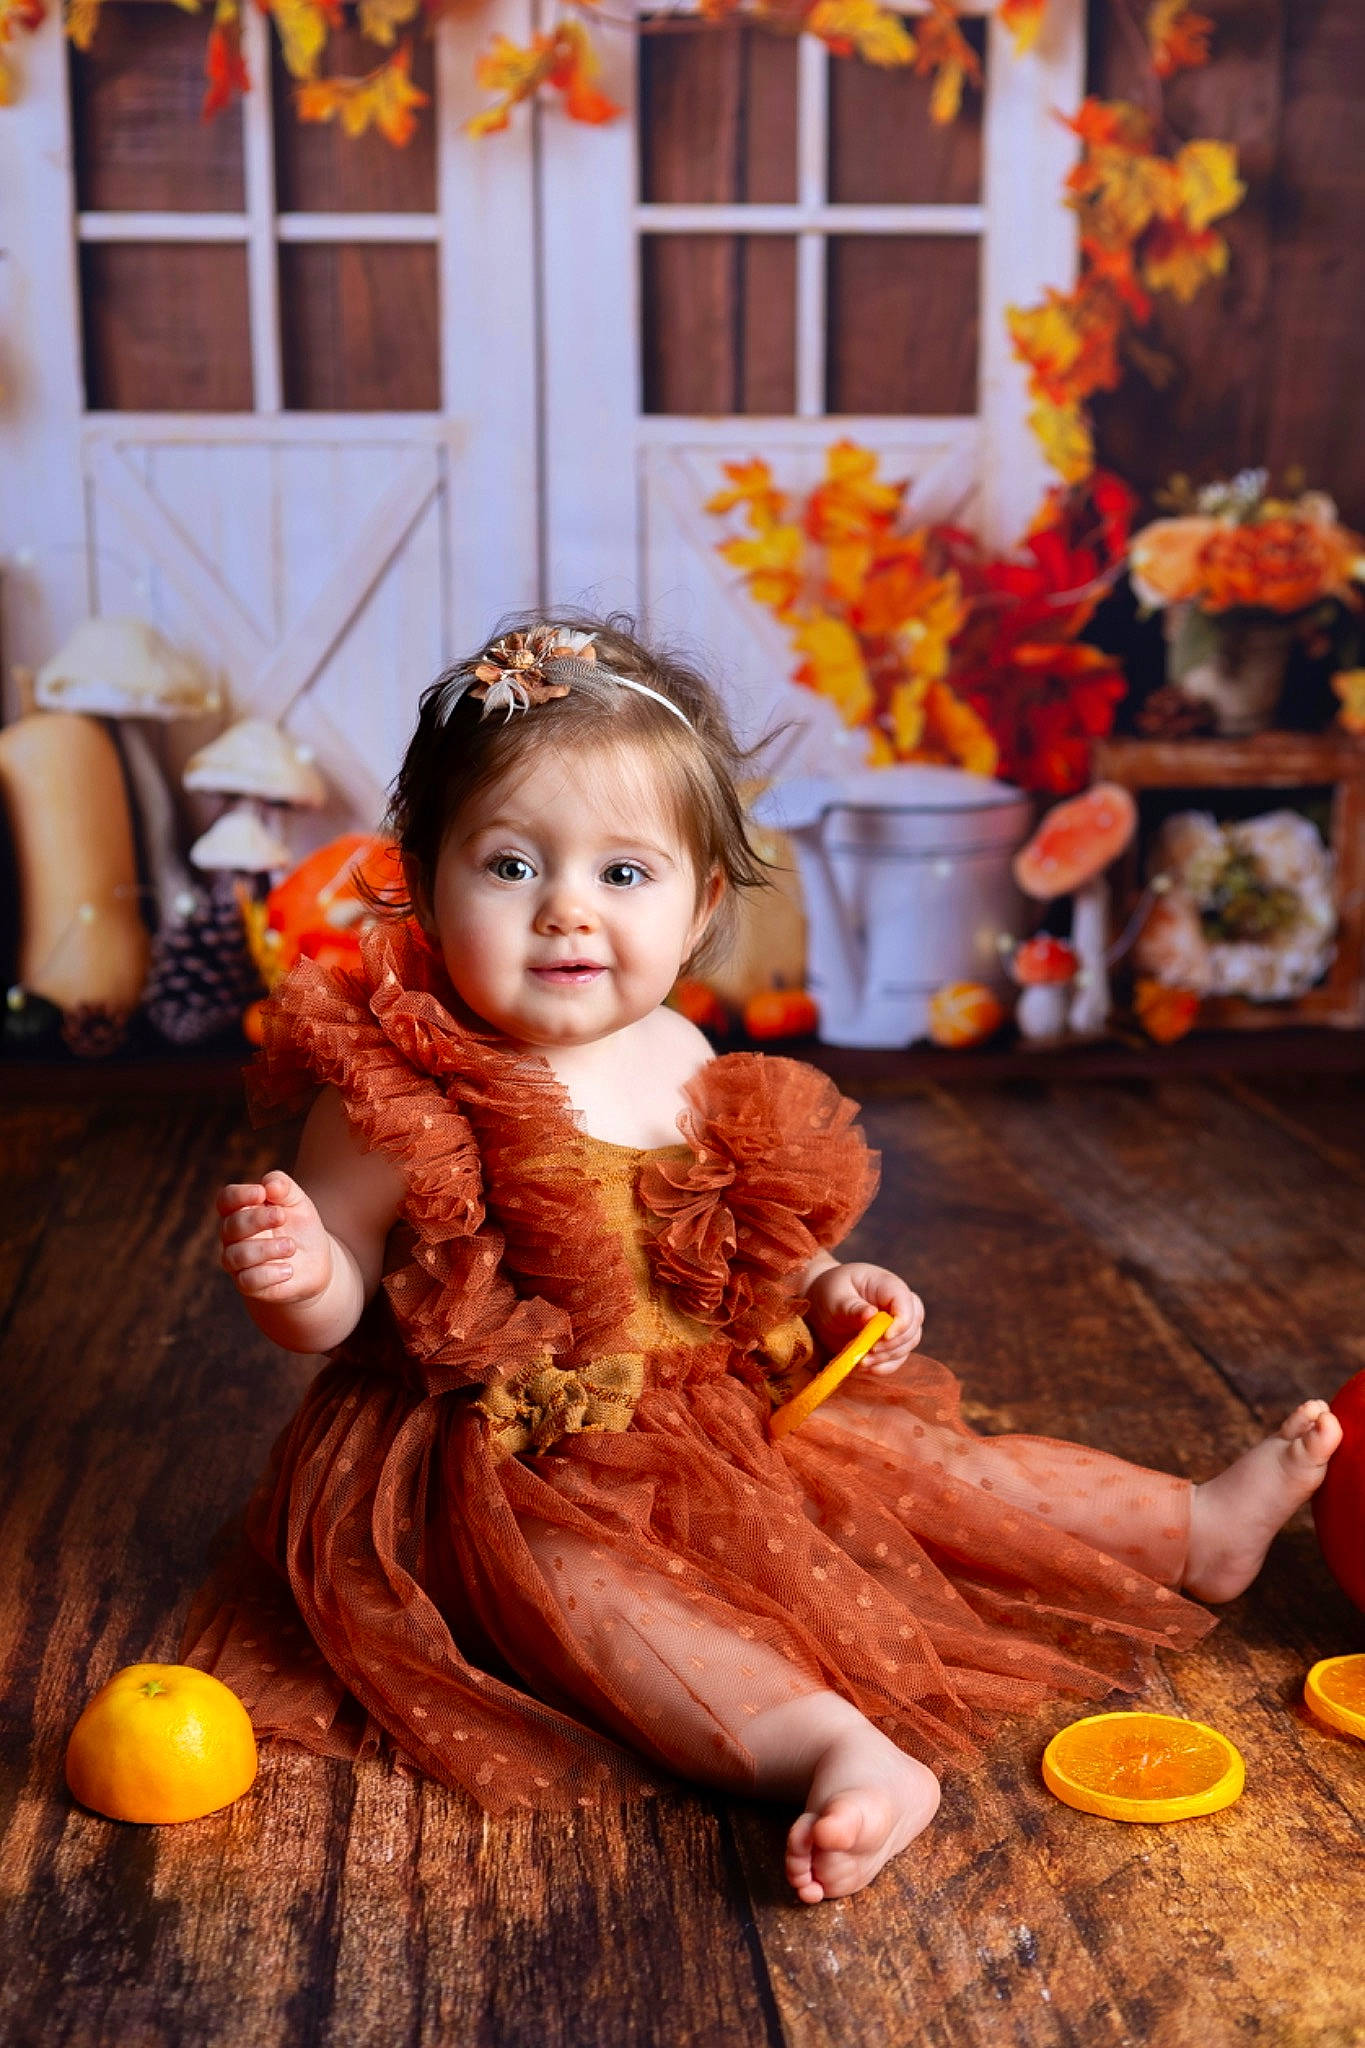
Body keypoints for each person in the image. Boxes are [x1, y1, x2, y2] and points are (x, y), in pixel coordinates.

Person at [193, 616, 1340, 1905]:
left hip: (715, 1403)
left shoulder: (681, 1057)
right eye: (511, 865)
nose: (568, 907)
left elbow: (740, 1251)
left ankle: (1197, 1529)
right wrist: (302, 1277)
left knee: (931, 1469)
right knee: (599, 1606)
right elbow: (342, 1309)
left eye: (624, 874)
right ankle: (835, 1752)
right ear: (420, 876)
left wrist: (827, 1290)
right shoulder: (397, 1091)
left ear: (700, 910)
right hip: (507, 1464)